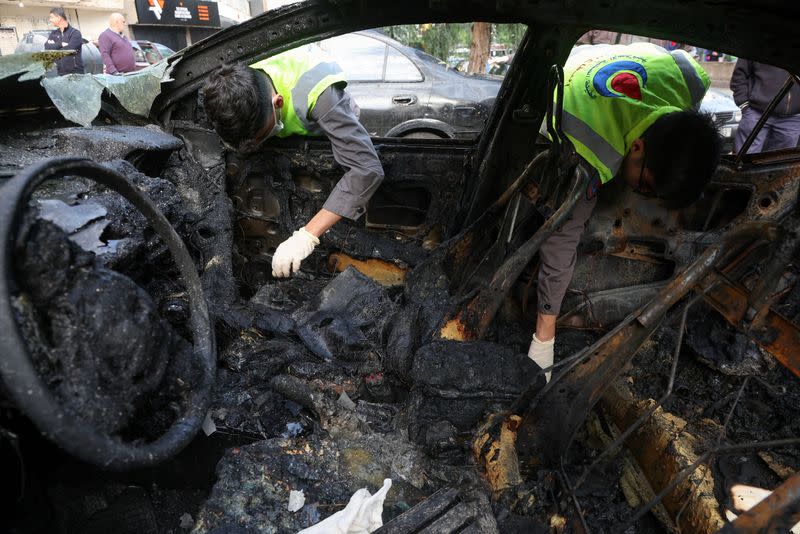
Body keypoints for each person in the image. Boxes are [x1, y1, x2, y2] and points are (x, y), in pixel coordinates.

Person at [527, 43, 723, 381]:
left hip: (592, 60)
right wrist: (544, 336)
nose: (642, 194)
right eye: (645, 186)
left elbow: (689, 88)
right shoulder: (589, 156)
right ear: (636, 147)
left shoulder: (686, 77)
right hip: (563, 107)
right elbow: (560, 240)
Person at [201, 46, 384, 278]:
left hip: (326, 130)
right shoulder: (234, 85)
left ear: (277, 102)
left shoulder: (321, 96)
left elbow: (366, 169)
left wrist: (307, 236)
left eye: (262, 136)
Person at [730, 59, 800, 153]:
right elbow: (740, 74)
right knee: (745, 161)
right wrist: (744, 104)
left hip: (792, 119)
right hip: (756, 113)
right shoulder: (758, 44)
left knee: (780, 163)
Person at [44, 7, 84, 75]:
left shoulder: (75, 33)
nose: (50, 20)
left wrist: (54, 47)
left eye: (52, 17)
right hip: (61, 73)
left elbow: (70, 50)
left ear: (59, 18)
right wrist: (60, 44)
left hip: (76, 73)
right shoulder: (54, 33)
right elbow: (46, 47)